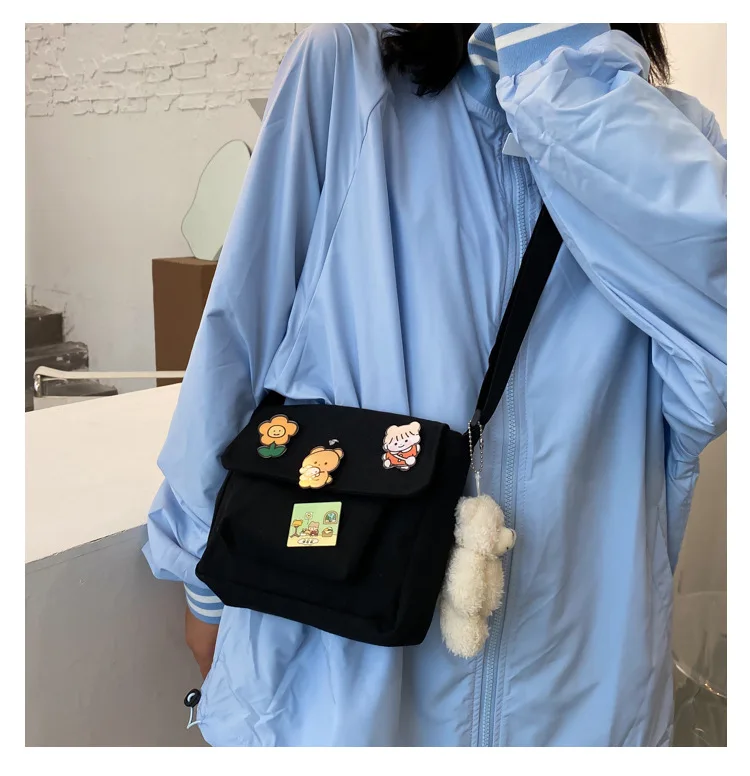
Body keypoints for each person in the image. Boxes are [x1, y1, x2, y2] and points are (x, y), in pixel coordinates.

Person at [143, 23, 726, 746]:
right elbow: (244, 330)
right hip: (351, 675)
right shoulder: (349, 74)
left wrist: (568, 94)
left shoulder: (667, 144)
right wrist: (203, 574)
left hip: (579, 683)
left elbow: (709, 379)